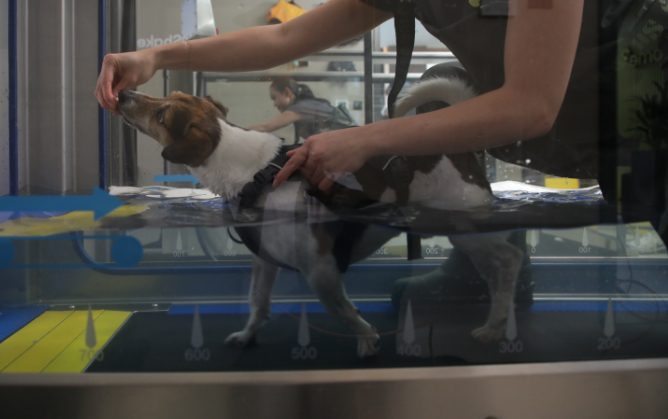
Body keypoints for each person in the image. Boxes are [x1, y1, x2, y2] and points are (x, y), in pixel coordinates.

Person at [95, 1, 666, 301]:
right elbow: (284, 37)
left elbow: (530, 105)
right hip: (591, 140)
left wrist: (365, 137)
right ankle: (481, 276)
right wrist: (160, 57)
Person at [249, 77, 357, 142]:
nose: (274, 104)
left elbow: (266, 127)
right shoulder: (308, 105)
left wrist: (241, 132)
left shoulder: (302, 108)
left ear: (287, 93)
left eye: (274, 98)